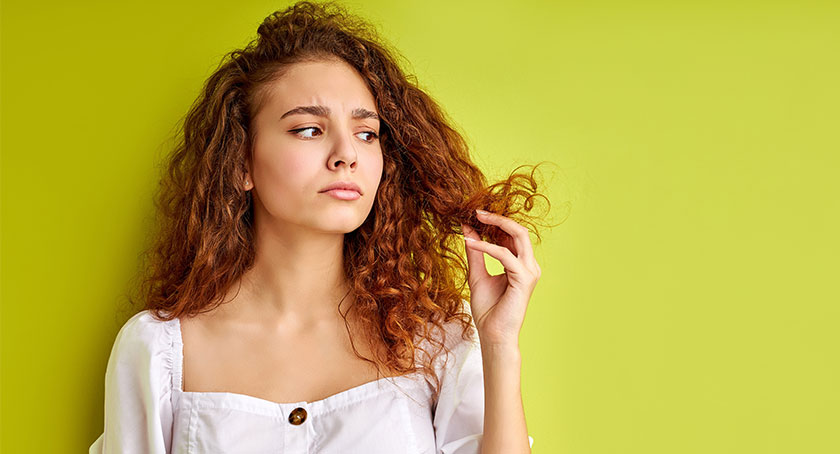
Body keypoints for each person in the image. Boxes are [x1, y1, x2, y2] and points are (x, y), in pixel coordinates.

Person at [90, 1, 549, 452]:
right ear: (241, 163)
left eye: (366, 134)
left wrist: (499, 344)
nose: (346, 154)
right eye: (309, 129)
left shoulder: (438, 339)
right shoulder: (159, 351)